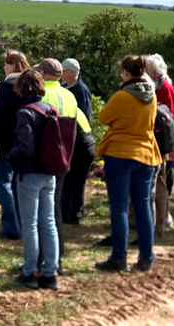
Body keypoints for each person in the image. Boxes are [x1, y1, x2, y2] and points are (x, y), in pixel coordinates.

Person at [94, 55, 160, 273]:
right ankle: (146, 257)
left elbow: (103, 117)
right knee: (143, 207)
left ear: (125, 72)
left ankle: (119, 257)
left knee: (120, 207)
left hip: (120, 153)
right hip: (146, 153)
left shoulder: (122, 96)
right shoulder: (152, 96)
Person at [10, 69, 62, 290]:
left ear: (22, 88)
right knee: (48, 223)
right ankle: (50, 272)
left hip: (29, 173)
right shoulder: (51, 109)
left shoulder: (25, 112)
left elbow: (25, 147)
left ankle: (30, 270)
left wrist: (11, 154)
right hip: (49, 172)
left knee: (29, 224)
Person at [34, 58, 91, 253]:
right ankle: (57, 249)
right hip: (70, 149)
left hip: (50, 151)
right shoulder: (69, 95)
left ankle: (48, 253)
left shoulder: (41, 94)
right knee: (58, 200)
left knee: (46, 206)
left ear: (42, 74)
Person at [0, 50, 33, 240]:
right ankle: (22, 223)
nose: (4, 66)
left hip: (5, 143)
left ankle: (12, 226)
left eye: (6, 63)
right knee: (17, 185)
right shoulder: (29, 86)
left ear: (14, 65)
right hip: (24, 142)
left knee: (2, 183)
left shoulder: (7, 87)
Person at [144, 54, 174, 229]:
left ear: (155, 72)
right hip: (158, 139)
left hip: (162, 141)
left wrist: (170, 147)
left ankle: (164, 216)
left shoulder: (165, 89)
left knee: (163, 180)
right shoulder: (158, 86)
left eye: (147, 69)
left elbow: (169, 119)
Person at [60, 58, 97, 225]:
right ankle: (66, 212)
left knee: (76, 180)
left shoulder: (81, 90)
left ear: (72, 72)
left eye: (64, 70)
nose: (61, 73)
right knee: (68, 179)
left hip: (79, 140)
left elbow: (84, 115)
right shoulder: (65, 88)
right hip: (69, 141)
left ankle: (74, 213)